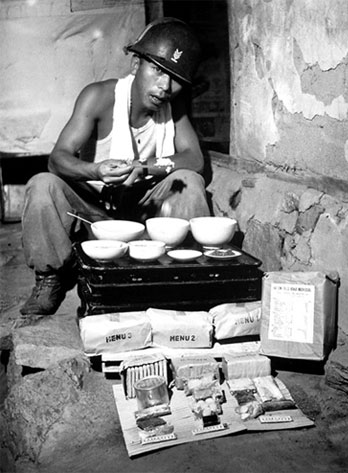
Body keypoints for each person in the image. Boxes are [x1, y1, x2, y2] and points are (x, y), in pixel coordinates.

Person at [20, 17, 211, 317]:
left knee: (188, 180)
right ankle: (51, 277)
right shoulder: (99, 96)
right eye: (158, 70)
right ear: (136, 65)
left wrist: (143, 167)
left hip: (142, 214)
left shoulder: (174, 107)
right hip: (92, 213)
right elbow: (57, 159)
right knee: (42, 184)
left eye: (175, 78)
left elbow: (195, 159)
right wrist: (96, 171)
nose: (165, 86)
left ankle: (182, 272)